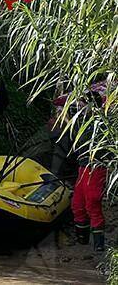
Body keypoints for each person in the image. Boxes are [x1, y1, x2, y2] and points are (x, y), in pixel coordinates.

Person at [65, 85, 111, 252]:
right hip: (82, 167)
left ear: (93, 105)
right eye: (80, 103)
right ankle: (82, 241)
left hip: (96, 167)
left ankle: (99, 245)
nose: (80, 106)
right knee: (77, 204)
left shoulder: (102, 123)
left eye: (83, 103)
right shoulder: (79, 122)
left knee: (92, 202)